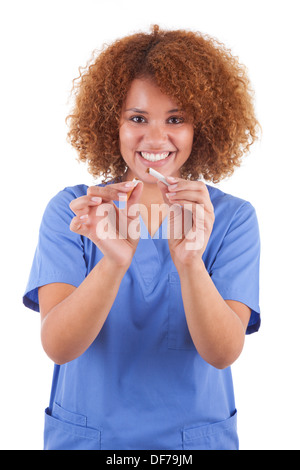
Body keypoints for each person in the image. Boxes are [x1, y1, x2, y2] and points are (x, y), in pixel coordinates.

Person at [23, 25, 261, 450]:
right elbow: (58, 346)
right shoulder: (75, 212)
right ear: (110, 122)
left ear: (201, 127)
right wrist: (114, 262)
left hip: (191, 444)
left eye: (176, 119)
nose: (155, 138)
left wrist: (190, 262)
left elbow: (223, 352)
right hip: (93, 441)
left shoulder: (230, 219)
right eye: (137, 118)